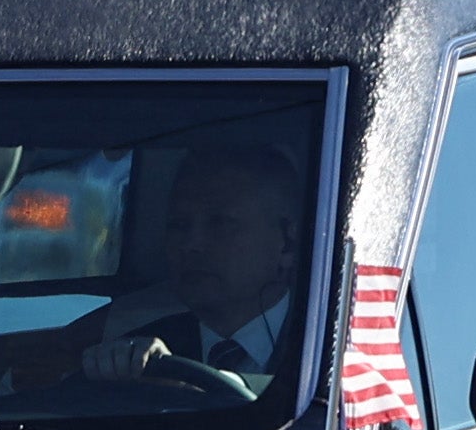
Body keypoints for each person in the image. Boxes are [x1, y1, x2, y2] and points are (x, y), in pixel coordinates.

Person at [72, 141, 306, 394]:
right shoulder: (138, 360)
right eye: (179, 225)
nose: (191, 244)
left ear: (287, 245)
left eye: (221, 223)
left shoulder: (330, 353)